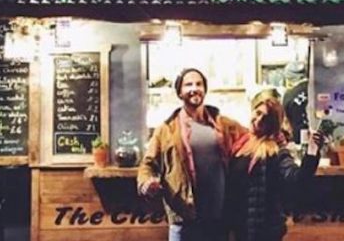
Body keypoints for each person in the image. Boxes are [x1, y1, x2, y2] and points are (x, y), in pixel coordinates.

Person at [137, 68, 247, 241]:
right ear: (179, 93)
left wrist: (276, 137)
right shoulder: (166, 130)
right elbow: (148, 164)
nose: (194, 88)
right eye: (188, 85)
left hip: (219, 219)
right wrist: (146, 183)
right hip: (184, 219)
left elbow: (253, 137)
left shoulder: (224, 124)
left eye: (199, 84)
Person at [226, 88, 324, 241]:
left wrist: (312, 151)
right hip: (239, 230)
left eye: (265, 119)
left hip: (262, 233)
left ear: (272, 123)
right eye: (257, 113)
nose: (258, 121)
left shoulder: (275, 150)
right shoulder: (241, 142)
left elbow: (297, 178)